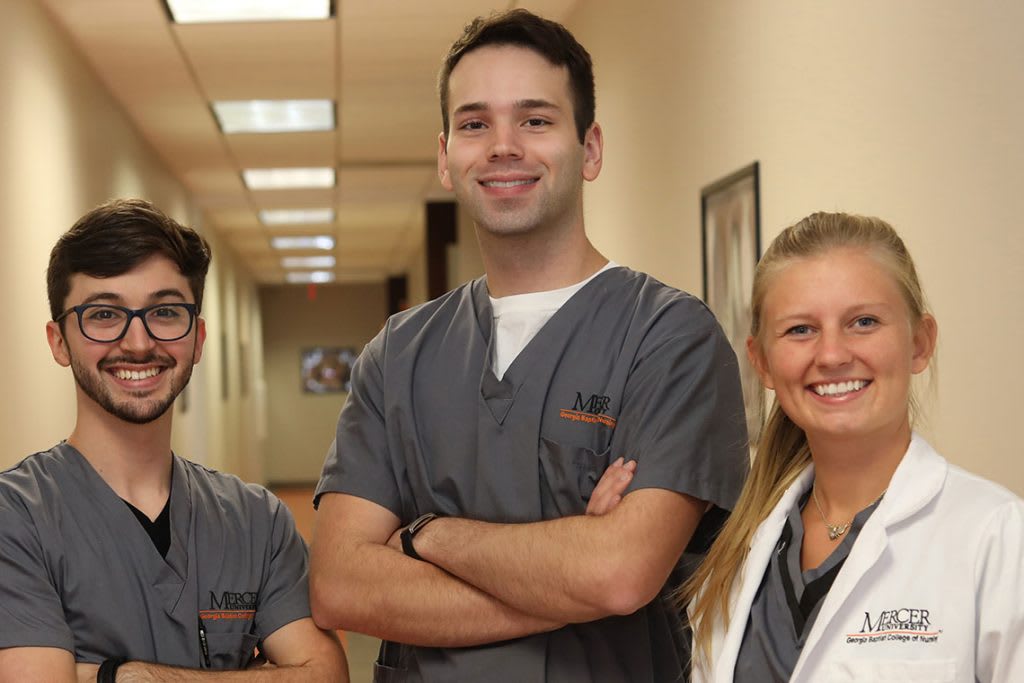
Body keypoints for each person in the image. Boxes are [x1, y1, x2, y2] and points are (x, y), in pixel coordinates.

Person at [310, 9, 749, 682]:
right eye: (475, 123)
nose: (503, 145)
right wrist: (573, 576)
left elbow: (619, 572)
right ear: (445, 156)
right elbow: (341, 583)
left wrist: (428, 536)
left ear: (591, 148)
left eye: (536, 120)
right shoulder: (398, 354)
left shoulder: (670, 339)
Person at [0, 199, 348, 681]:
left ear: (198, 339)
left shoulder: (256, 522)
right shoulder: (16, 518)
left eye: (164, 311)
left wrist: (118, 675)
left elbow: (325, 674)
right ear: (59, 341)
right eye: (103, 314)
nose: (139, 343)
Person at [682, 212, 1024, 682]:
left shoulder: (997, 537)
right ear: (761, 362)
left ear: (920, 343)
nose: (832, 355)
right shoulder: (736, 555)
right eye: (800, 329)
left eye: (863, 322)